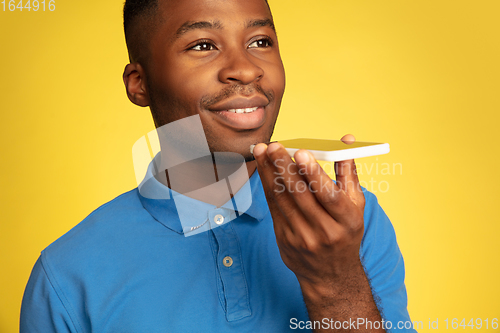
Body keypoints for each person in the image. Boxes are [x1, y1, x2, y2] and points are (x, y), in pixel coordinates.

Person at [20, 0, 416, 332]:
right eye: (203, 45)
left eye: (260, 41)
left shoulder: (348, 221)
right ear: (139, 83)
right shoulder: (67, 276)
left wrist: (335, 283)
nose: (245, 69)